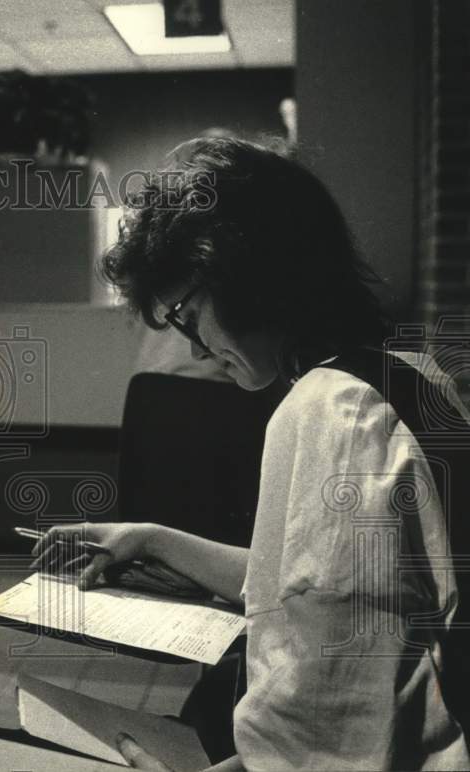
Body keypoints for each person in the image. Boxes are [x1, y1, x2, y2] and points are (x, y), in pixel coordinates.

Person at [32, 137, 470, 770]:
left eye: (187, 316)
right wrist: (151, 538)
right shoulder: (409, 371)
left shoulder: (330, 411)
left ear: (245, 276)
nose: (197, 349)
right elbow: (305, 583)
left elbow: (325, 729)